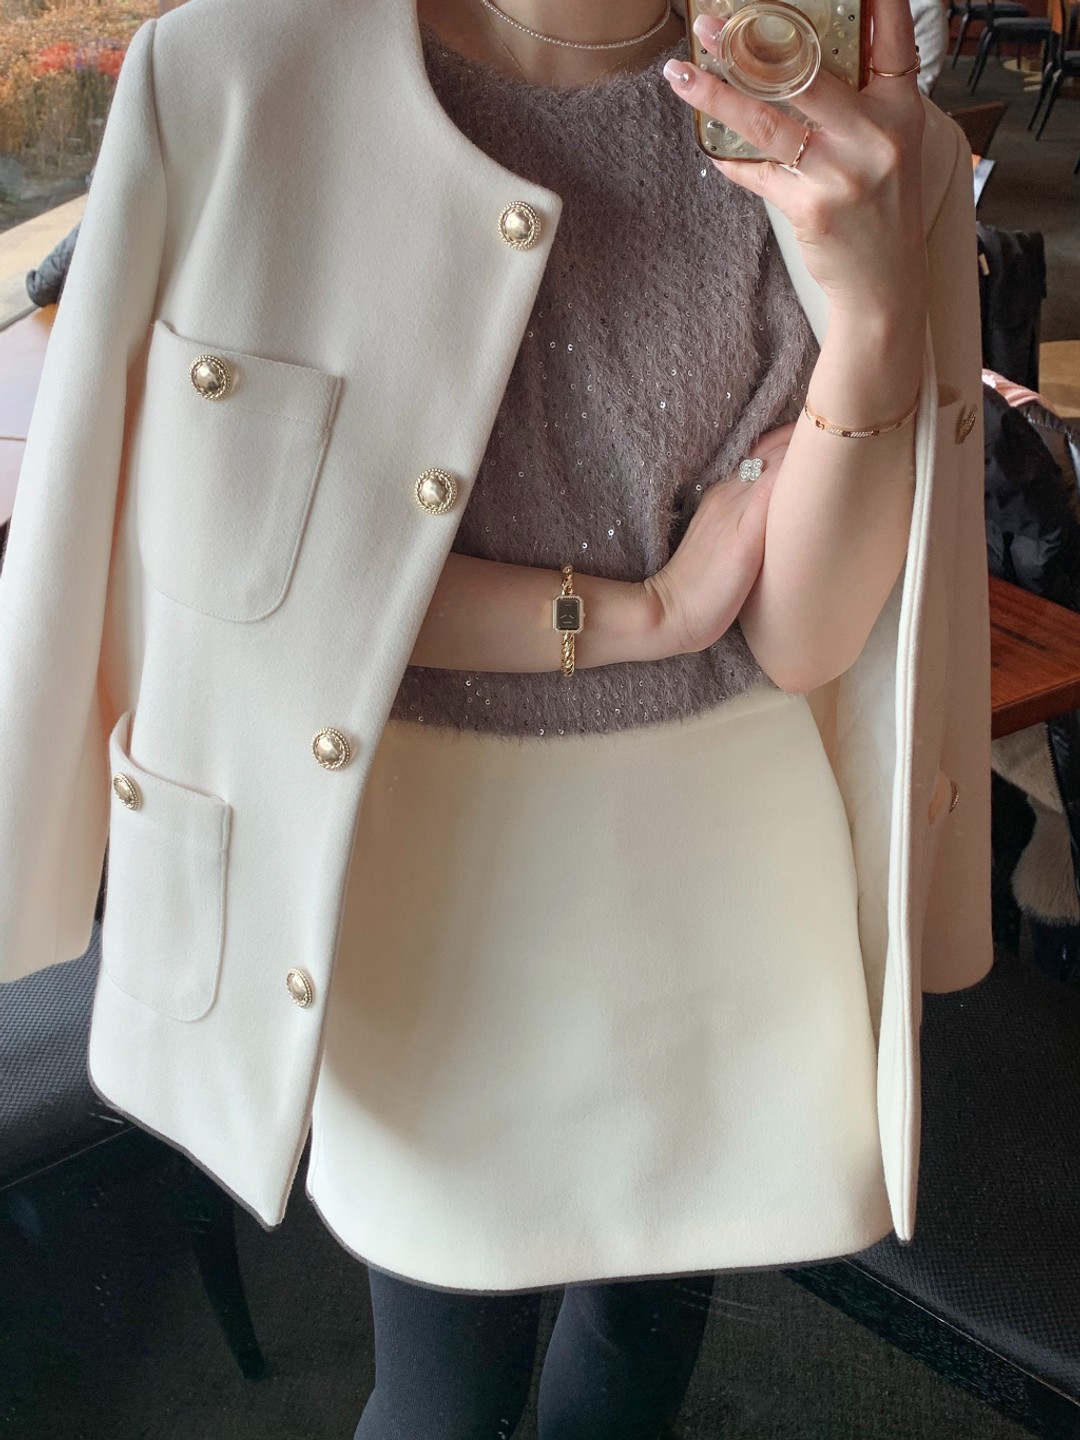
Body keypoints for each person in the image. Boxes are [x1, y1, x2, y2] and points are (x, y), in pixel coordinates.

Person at [0, 0, 987, 1436]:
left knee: (637, 1360)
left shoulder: (852, 132)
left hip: (726, 895)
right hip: (413, 882)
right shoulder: (238, 76)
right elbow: (247, 581)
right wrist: (643, 615)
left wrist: (879, 306)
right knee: (442, 1397)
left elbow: (805, 635)